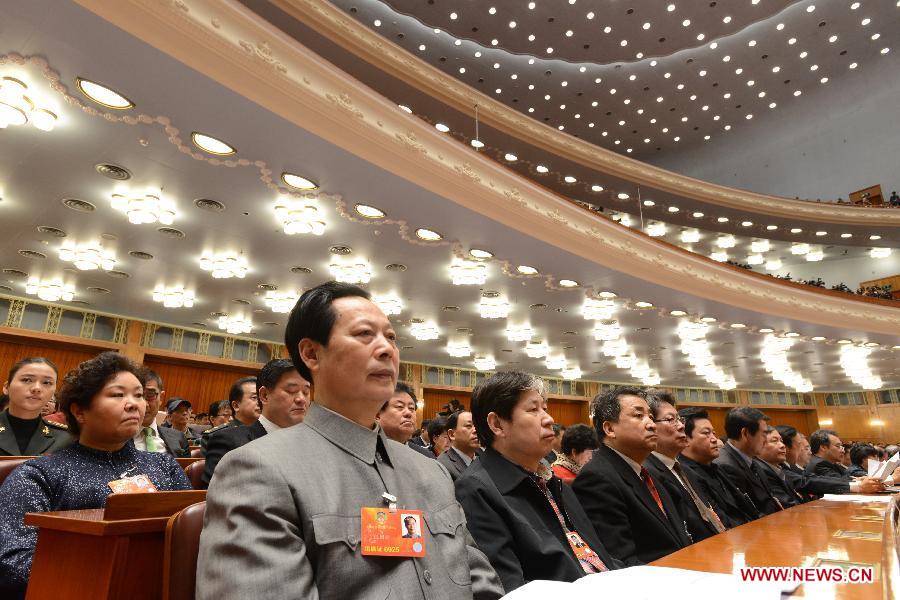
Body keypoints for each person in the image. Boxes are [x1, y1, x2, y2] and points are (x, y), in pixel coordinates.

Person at [197, 281, 503, 599]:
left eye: (391, 338)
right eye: (364, 335)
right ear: (311, 353)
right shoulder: (258, 470)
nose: (386, 349)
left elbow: (480, 582)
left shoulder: (431, 471)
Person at [0, 351, 190, 599]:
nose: (133, 403)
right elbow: (13, 562)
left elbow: (192, 538)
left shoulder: (165, 466)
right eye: (118, 394)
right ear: (79, 412)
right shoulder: (40, 475)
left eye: (139, 395)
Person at [456, 371, 621, 592]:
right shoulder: (477, 489)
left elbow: (596, 553)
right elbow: (510, 588)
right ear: (497, 424)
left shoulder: (552, 479)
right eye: (534, 409)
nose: (549, 419)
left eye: (545, 408)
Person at [572, 387, 690, 565]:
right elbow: (622, 560)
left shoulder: (647, 471)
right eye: (638, 416)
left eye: (650, 416)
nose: (651, 424)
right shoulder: (596, 479)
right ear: (610, 428)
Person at [202, 359, 311, 488]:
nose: (301, 399)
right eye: (291, 391)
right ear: (264, 395)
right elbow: (217, 499)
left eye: (306, 392)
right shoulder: (229, 442)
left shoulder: (313, 443)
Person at [644, 393, 720, 542]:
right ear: (651, 425)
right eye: (670, 420)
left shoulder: (686, 470)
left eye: (679, 419)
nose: (681, 426)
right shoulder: (648, 473)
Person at [677, 407, 756, 528]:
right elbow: (719, 521)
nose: (714, 439)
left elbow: (743, 507)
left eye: (713, 433)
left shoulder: (715, 467)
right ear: (686, 439)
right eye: (706, 433)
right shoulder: (687, 474)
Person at [714, 407, 783, 515]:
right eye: (764, 434)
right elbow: (747, 514)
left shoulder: (751, 458)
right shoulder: (725, 466)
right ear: (745, 433)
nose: (766, 440)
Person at [0, 357, 71, 456]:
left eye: (47, 382)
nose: (37, 388)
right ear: (6, 387)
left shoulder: (65, 438)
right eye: (27, 380)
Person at [804, 429, 884, 494]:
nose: (842, 450)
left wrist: (858, 480)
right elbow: (838, 482)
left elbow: (845, 478)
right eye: (838, 446)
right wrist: (859, 483)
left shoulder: (830, 463)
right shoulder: (819, 464)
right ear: (823, 447)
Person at [133, 371, 189, 458]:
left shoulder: (179, 437)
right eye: (138, 395)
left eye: (150, 395)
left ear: (161, 397)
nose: (144, 404)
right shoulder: (114, 439)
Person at [200, 376, 257, 453]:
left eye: (263, 396)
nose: (261, 402)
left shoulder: (271, 432)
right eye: (255, 397)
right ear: (236, 406)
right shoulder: (215, 436)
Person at [754, 428, 805, 508]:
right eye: (774, 441)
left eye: (781, 441)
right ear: (759, 445)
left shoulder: (778, 468)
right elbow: (789, 507)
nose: (782, 445)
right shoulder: (761, 471)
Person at [437, 410, 481, 481]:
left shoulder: (483, 458)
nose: (476, 430)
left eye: (477, 426)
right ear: (451, 434)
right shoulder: (442, 465)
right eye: (468, 426)